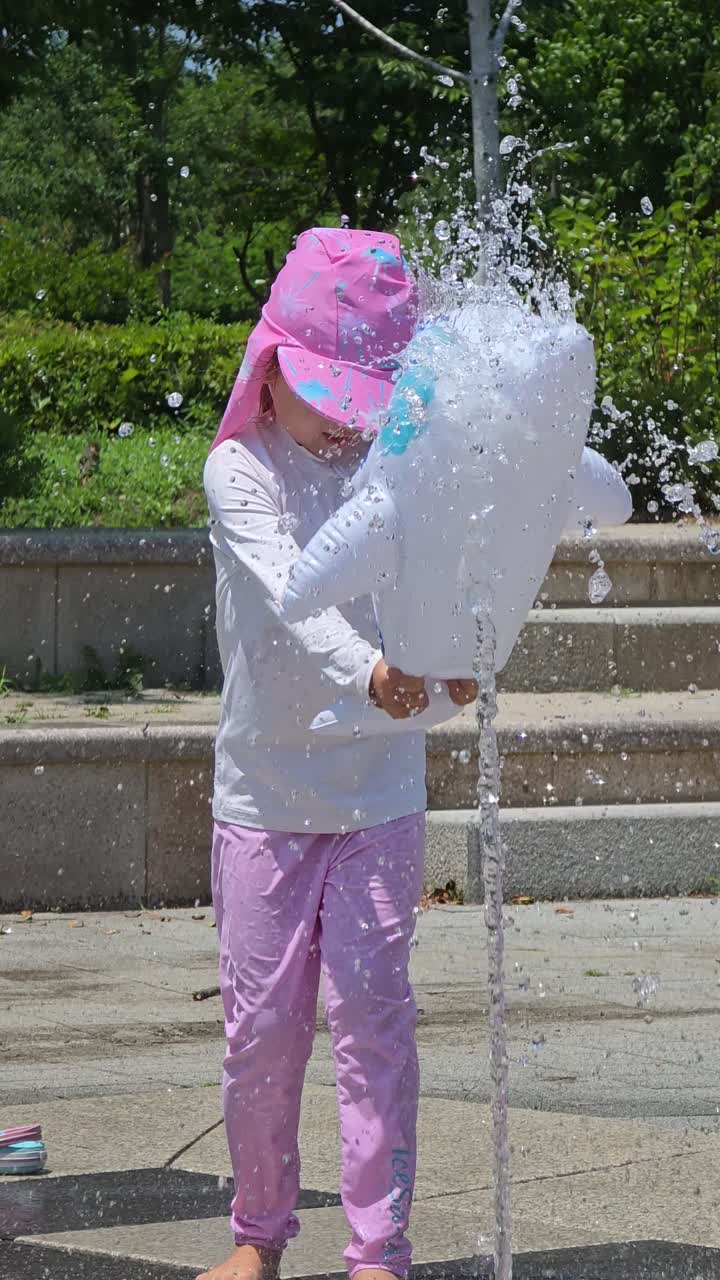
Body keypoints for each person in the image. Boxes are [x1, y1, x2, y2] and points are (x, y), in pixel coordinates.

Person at [198, 227, 478, 1280]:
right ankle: (257, 1232)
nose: (341, 426)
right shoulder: (241, 471)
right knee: (262, 1034)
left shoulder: (394, 466)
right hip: (264, 798)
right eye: (327, 398)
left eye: (363, 404)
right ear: (268, 367)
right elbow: (294, 596)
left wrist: (455, 657)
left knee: (374, 1021)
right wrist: (371, 673)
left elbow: (449, 577)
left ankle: (379, 1250)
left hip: (379, 797)